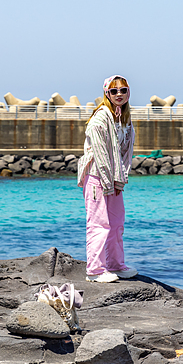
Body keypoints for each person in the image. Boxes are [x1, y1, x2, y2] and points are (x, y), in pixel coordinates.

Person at [76, 75, 137, 283]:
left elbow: (124, 153)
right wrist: (108, 180)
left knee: (117, 222)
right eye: (114, 91)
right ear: (106, 94)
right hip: (97, 177)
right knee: (98, 223)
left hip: (114, 178)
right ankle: (94, 270)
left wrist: (119, 179)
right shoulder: (101, 118)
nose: (119, 94)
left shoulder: (123, 118)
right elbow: (101, 154)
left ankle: (115, 265)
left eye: (123, 90)